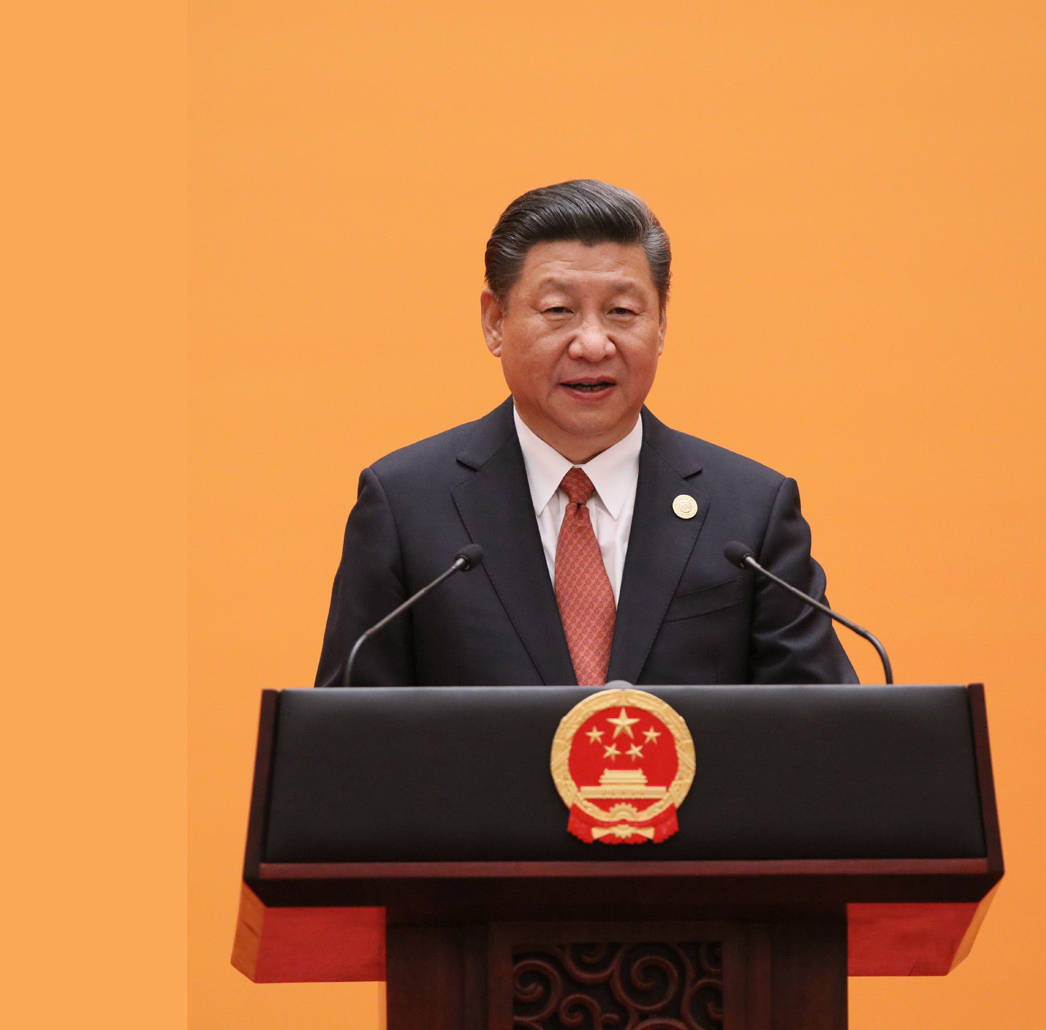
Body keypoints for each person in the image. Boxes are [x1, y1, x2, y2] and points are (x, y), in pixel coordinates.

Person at [315, 179, 857, 687]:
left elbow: (826, 730)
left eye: (622, 311)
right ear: (495, 322)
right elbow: (346, 737)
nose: (593, 345)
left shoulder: (750, 513)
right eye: (558, 310)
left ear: (661, 324)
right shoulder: (406, 506)